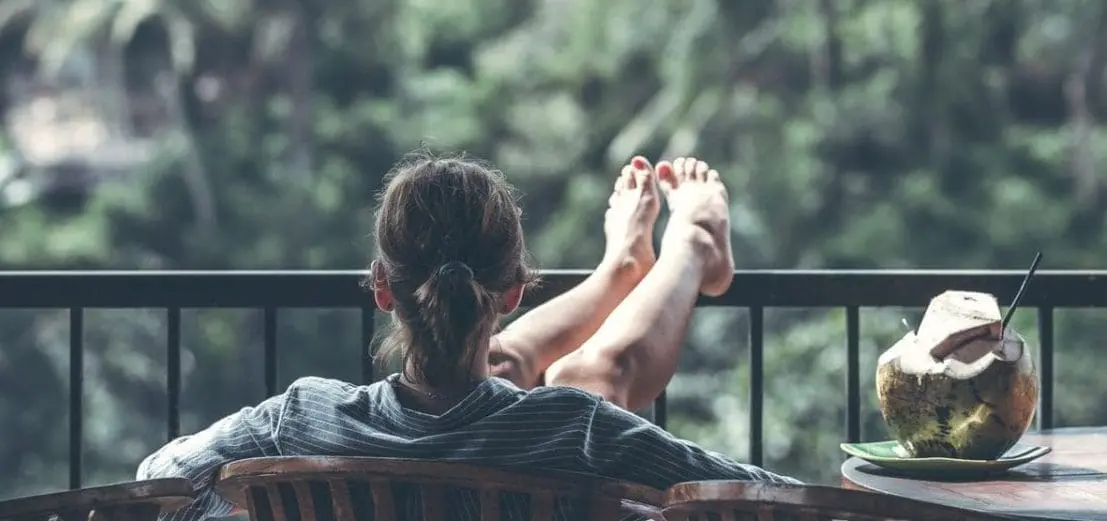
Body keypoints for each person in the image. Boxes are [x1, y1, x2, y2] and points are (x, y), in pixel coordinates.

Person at [137, 152, 799, 521]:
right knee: (580, 376)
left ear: (380, 286)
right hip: (543, 416)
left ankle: (626, 266)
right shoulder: (576, 428)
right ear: (513, 291)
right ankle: (675, 246)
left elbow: (159, 478)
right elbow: (763, 501)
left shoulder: (302, 418)